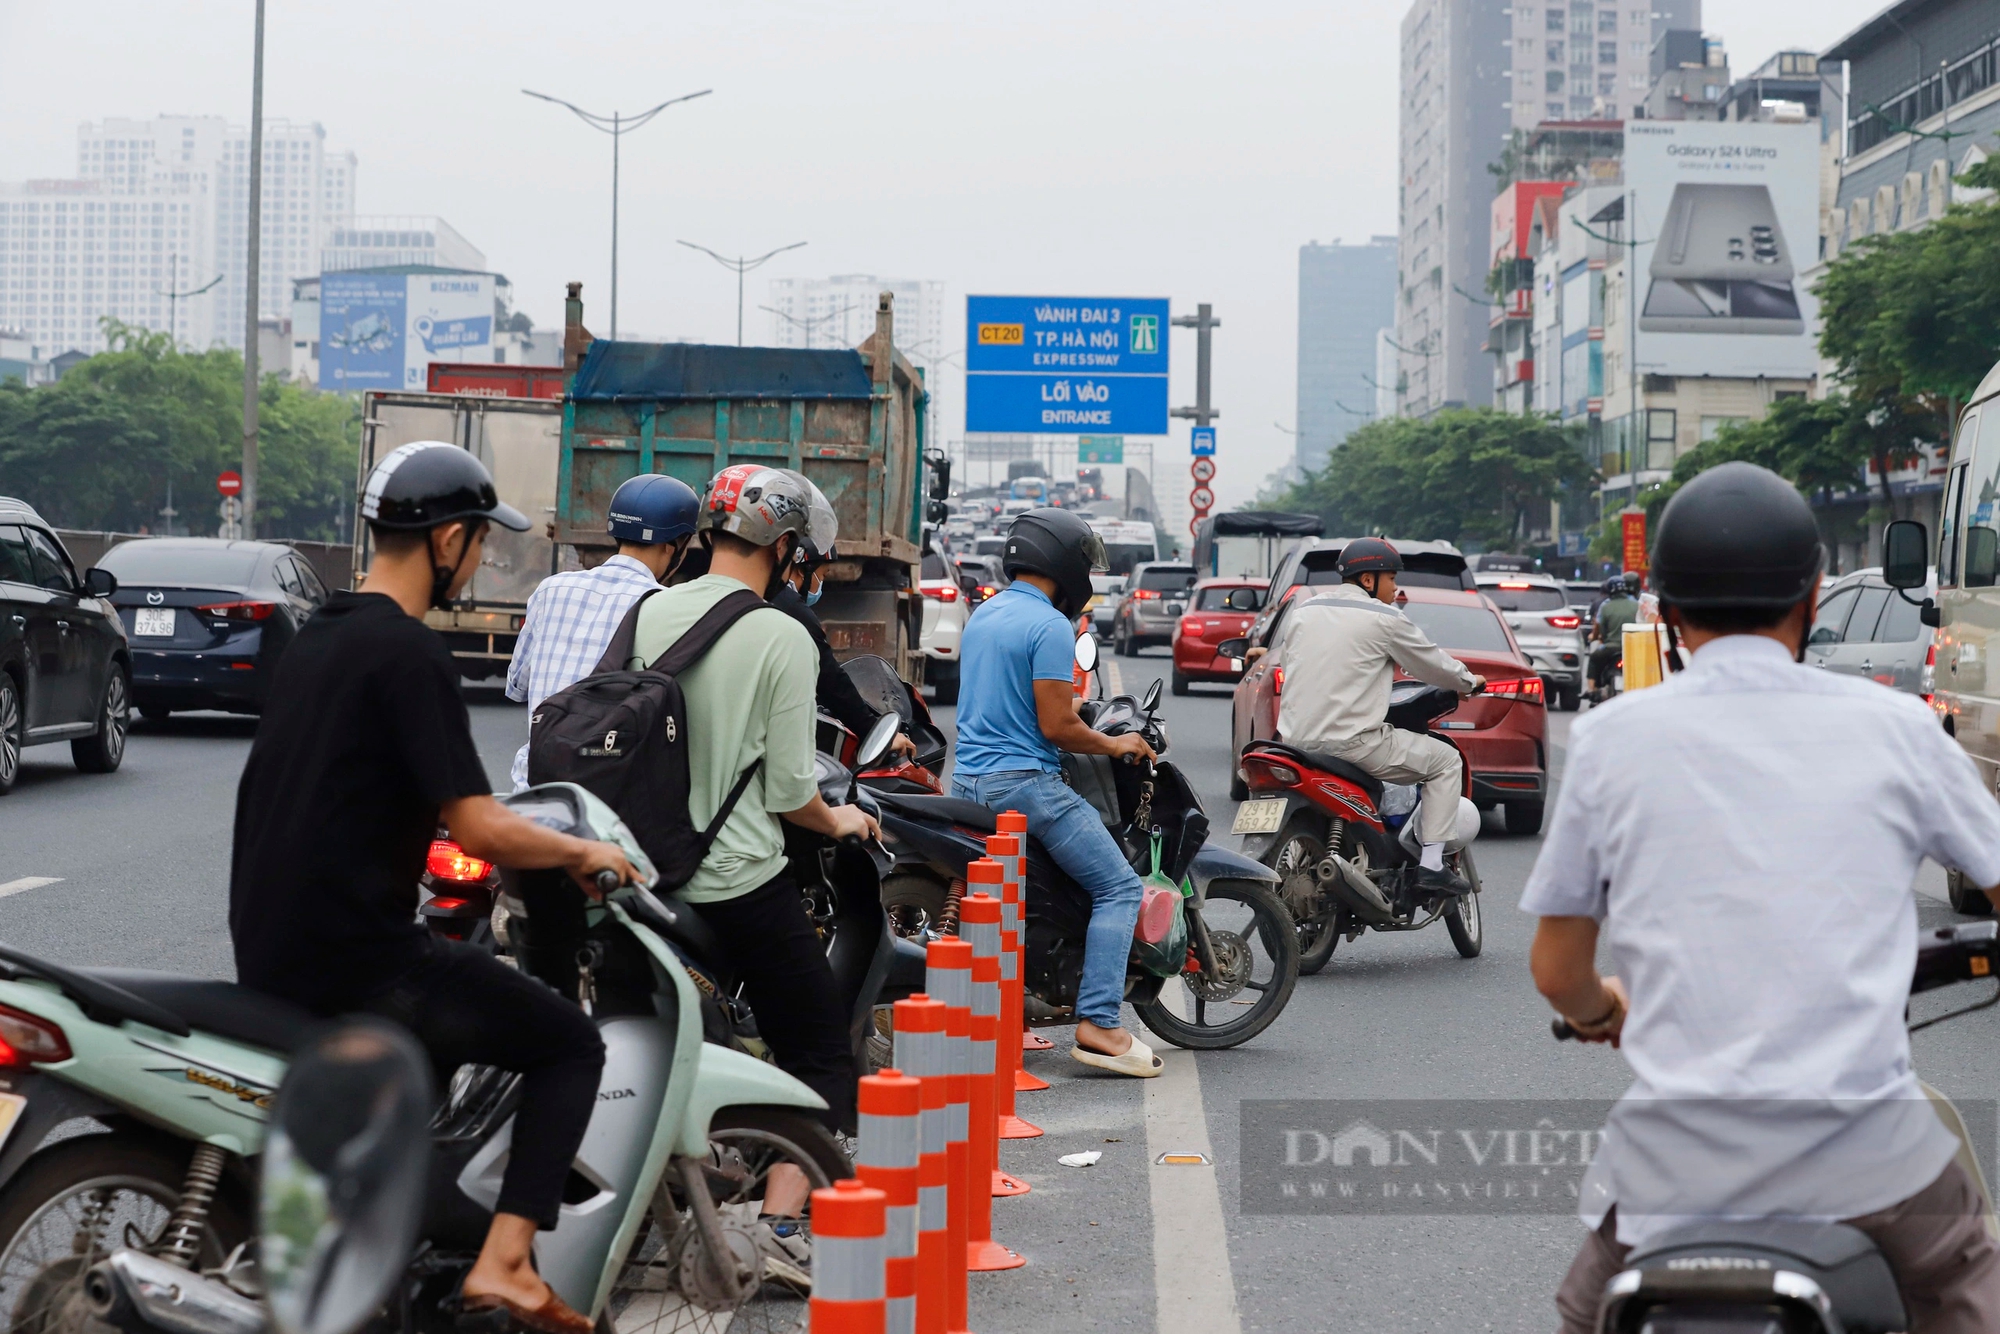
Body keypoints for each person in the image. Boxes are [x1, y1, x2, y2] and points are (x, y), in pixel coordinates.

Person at [1522, 462, 2000, 1334]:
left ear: (1663, 610)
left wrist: (1604, 1008)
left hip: (1672, 1170)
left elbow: (1558, 973)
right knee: (1968, 1279)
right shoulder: (1895, 728)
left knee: (1585, 1316)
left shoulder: (1609, 739)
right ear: (1813, 596)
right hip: (1872, 1161)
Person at [230, 441, 639, 1334]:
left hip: (273, 945)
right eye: (479, 542)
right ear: (447, 539)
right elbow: (480, 826)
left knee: (446, 1043)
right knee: (567, 1041)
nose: (479, 559)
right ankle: (507, 1265)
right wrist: (581, 857)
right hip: (360, 961)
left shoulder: (318, 637)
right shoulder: (408, 655)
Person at [625, 464, 879, 1135]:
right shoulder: (782, 636)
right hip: (734, 880)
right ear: (784, 548)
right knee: (822, 1055)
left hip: (644, 871)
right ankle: (780, 1221)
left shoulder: (650, 609)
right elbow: (794, 794)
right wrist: (843, 816)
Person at [950, 508, 1161, 1078]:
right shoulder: (1048, 626)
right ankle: (1098, 1022)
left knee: (1014, 905)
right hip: (1024, 785)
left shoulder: (985, 613)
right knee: (1118, 888)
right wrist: (1116, 746)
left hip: (967, 781)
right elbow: (1058, 725)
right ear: (1065, 564)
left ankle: (1011, 1020)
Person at [1251, 537, 1484, 897]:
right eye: (1392, 578)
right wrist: (1468, 682)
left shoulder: (1303, 613)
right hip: (1354, 743)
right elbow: (1432, 663)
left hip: (1295, 743)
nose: (1396, 588)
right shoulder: (1385, 618)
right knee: (1446, 761)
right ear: (1368, 580)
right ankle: (1432, 866)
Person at [505, 472, 700, 790]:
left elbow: (517, 686)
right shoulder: (667, 606)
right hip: (609, 799)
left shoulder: (550, 588)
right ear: (674, 545)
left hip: (532, 789)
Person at [764, 475, 916, 757]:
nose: (823, 582)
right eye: (823, 574)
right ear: (795, 559)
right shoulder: (793, 612)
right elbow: (832, 681)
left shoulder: (738, 598)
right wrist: (875, 732)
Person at [1587, 572, 1640, 695]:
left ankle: (1592, 690)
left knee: (1594, 659)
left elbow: (1601, 631)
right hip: (1633, 648)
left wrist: (1600, 638)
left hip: (1610, 648)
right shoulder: (1637, 605)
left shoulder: (1606, 607)